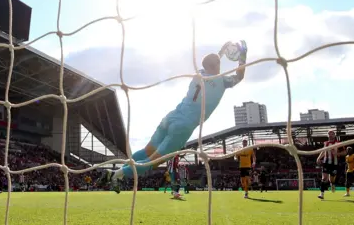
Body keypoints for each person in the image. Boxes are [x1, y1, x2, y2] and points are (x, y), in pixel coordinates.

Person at [98, 41, 248, 193]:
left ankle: (118, 173)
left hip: (171, 117)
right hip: (182, 127)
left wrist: (221, 51)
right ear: (217, 65)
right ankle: (115, 175)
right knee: (153, 161)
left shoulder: (199, 74)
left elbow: (212, 63)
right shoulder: (222, 81)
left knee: (145, 152)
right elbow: (239, 76)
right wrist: (243, 55)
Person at [316, 130, 341, 200]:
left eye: (332, 134)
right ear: (328, 135)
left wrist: (338, 154)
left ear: (334, 135)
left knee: (332, 179)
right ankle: (322, 194)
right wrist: (318, 158)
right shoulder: (326, 143)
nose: (330, 135)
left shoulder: (338, 143)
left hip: (334, 164)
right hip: (326, 163)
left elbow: (344, 152)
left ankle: (332, 184)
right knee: (324, 178)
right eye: (329, 134)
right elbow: (324, 151)